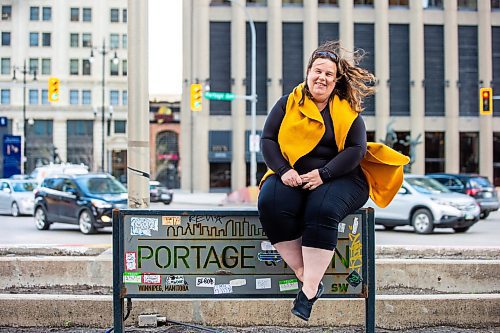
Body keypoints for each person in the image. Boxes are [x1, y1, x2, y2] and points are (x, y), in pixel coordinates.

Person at [258, 40, 409, 321]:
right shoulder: (286, 104)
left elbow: (356, 151)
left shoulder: (347, 111)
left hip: (343, 176)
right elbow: (267, 139)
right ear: (307, 72)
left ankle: (309, 290)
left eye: (329, 74)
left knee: (322, 208)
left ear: (336, 79)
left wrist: (323, 174)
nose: (322, 78)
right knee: (270, 202)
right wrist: (282, 170)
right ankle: (305, 275)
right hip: (293, 173)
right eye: (318, 71)